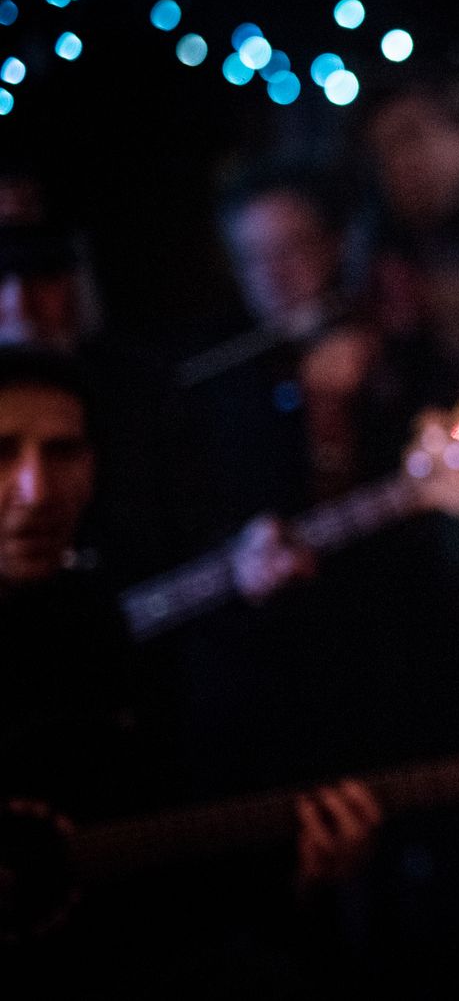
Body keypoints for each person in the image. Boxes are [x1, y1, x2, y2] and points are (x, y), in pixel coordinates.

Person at [0, 345, 382, 997]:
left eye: (62, 453)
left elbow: (163, 892)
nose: (36, 490)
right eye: (3, 452)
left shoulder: (104, 637)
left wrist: (298, 874)